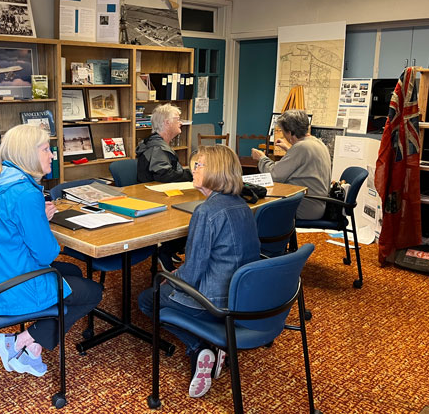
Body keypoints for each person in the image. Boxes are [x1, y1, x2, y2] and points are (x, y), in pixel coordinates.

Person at [0, 125, 103, 377]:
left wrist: (37, 218)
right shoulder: (25, 194)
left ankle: (32, 345)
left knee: (72, 271)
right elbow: (47, 254)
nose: (52, 154)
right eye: (45, 149)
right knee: (93, 292)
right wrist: (41, 219)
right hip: (8, 287)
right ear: (28, 154)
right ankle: (21, 341)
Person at [138, 145, 260, 398]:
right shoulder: (242, 205)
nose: (191, 170)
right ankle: (217, 342)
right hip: (243, 296)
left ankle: (199, 346)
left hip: (213, 301)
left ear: (215, 170)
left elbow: (192, 273)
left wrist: (168, 280)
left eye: (198, 165)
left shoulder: (206, 212)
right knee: (168, 283)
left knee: (147, 300)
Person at [136, 103, 193, 270]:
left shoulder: (157, 143)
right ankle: (166, 250)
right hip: (155, 199)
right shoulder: (157, 148)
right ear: (167, 123)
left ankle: (171, 247)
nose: (180, 122)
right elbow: (164, 175)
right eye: (177, 119)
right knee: (194, 217)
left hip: (161, 196)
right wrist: (193, 175)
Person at [251, 109, 331, 220]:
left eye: (283, 132)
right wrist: (289, 149)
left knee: (257, 209)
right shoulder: (318, 143)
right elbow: (305, 162)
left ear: (289, 132)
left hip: (305, 208)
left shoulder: (301, 147)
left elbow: (274, 175)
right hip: (317, 205)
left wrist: (261, 158)